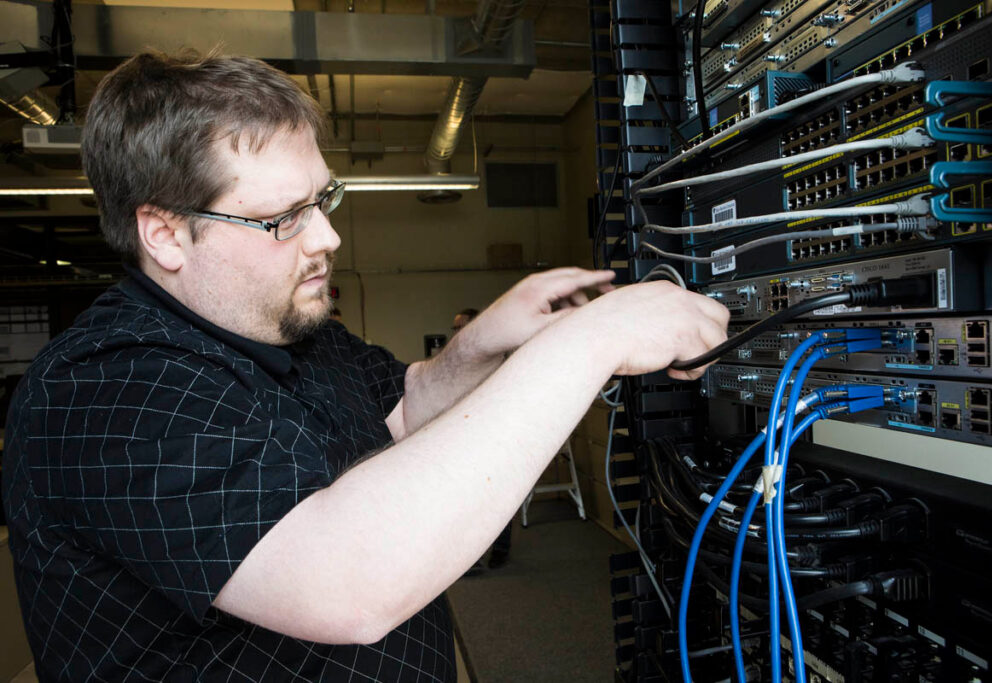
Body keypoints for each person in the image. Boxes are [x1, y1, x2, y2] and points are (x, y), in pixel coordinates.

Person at [1, 51, 729, 682]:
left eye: (323, 199)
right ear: (164, 233)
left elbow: (407, 406)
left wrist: (488, 344)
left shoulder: (291, 326)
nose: (328, 235)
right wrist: (592, 340)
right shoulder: (105, 388)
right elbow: (346, 582)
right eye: (283, 217)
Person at [450, 308, 513, 573]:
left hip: (495, 436)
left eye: (460, 326)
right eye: (455, 327)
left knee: (500, 498)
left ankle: (500, 549)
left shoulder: (495, 353)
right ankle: (470, 558)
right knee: (468, 501)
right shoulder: (455, 359)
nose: (456, 332)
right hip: (465, 438)